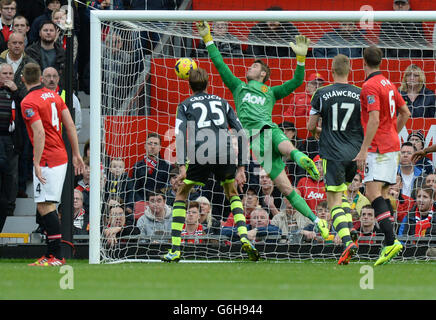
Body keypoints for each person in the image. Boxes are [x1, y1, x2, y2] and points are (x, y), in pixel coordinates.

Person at [196, 21, 330, 242]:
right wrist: (208, 39)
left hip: (267, 131)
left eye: (255, 67)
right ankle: (317, 221)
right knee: (287, 190)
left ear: (263, 75)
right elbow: (220, 65)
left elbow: (297, 81)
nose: (250, 67)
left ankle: (300, 158)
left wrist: (301, 59)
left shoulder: (271, 92)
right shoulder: (239, 87)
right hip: (258, 142)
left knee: (283, 145)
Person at [162, 67, 259, 263]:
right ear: (208, 83)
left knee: (182, 193)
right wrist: (241, 167)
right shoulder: (222, 102)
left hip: (201, 151)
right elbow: (240, 131)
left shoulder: (185, 104)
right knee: (232, 193)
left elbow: (180, 134)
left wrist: (181, 166)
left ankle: (175, 249)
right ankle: (243, 236)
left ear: (189, 85)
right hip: (225, 151)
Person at [22, 62, 84, 266]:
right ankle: (51, 255)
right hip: (61, 156)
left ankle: (56, 256)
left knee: (46, 206)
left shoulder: (28, 102)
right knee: (45, 206)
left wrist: (37, 162)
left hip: (48, 158)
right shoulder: (55, 96)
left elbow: (39, 133)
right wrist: (76, 153)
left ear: (23, 79)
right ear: (41, 78)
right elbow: (70, 125)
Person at [353, 45, 411, 267]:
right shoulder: (389, 83)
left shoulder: (369, 86)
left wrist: (364, 148)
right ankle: (390, 242)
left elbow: (374, 119)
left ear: (363, 61)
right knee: (384, 193)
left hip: (378, 148)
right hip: (392, 145)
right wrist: (392, 134)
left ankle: (391, 241)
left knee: (371, 192)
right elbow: (405, 112)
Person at [308, 54, 364, 264]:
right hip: (354, 154)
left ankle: (348, 241)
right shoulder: (360, 93)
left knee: (333, 203)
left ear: (331, 70)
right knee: (346, 199)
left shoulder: (322, 93)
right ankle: (350, 235)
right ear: (350, 71)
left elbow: (311, 126)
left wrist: (320, 130)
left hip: (332, 153)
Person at [0, 63, 20, 232]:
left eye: (10, 73)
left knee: (9, 182)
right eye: (4, 73)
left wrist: (16, 92)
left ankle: (7, 210)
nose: (7, 76)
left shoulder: (18, 93)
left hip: (10, 142)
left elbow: (26, 109)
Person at [128, 132, 171, 208]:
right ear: (145, 146)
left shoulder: (167, 167)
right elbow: (133, 188)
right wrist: (141, 203)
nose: (152, 146)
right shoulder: (137, 166)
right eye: (150, 143)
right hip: (142, 204)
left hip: (161, 204)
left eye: (155, 144)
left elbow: (168, 189)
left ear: (160, 147)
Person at [25, 21, 66, 88]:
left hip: (58, 90)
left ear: (56, 33)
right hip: (37, 89)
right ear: (40, 33)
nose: (48, 32)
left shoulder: (63, 53)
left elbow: (69, 75)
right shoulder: (30, 52)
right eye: (45, 30)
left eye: (51, 30)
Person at [41, 66, 81, 134]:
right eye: (48, 76)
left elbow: (77, 123)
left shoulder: (70, 97)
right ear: (41, 79)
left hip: (63, 141)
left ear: (58, 79)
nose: (51, 79)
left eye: (54, 76)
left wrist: (69, 140)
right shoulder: (37, 97)